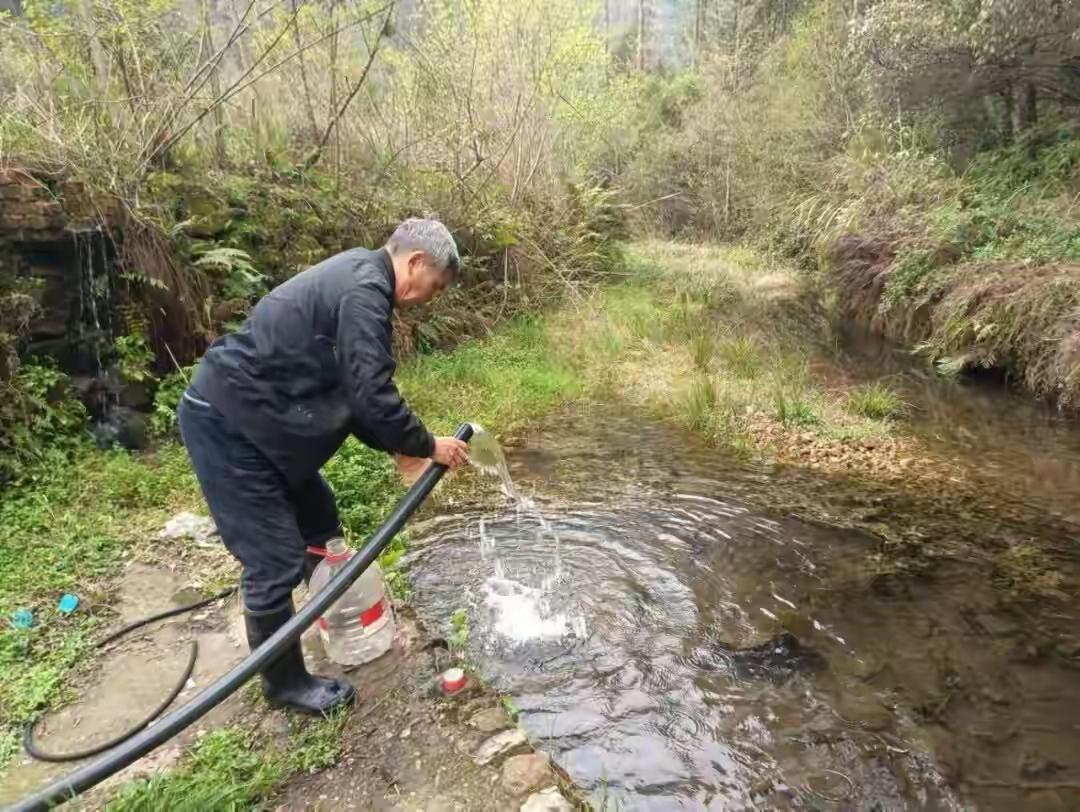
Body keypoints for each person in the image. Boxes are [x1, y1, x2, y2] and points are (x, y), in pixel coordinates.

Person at [178, 218, 470, 716]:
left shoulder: (357, 276)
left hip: (261, 423)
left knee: (318, 516)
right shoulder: (364, 291)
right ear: (416, 262)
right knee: (272, 561)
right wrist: (425, 445)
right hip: (230, 426)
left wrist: (405, 449)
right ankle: (285, 684)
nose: (430, 297)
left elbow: (352, 399)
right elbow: (372, 394)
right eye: (436, 286)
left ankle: (327, 610)